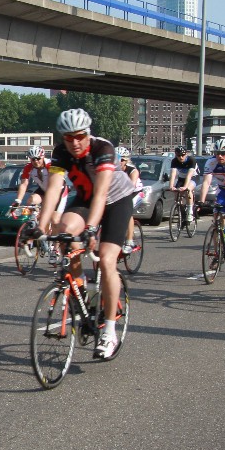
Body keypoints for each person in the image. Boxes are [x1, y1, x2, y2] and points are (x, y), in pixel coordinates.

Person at [35, 108, 137, 360]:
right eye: (69, 138)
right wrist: (39, 227)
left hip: (116, 201)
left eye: (80, 136)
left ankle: (109, 332)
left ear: (88, 134)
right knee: (64, 231)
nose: (75, 143)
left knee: (106, 259)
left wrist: (91, 228)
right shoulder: (60, 153)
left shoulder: (103, 149)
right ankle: (80, 287)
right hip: (86, 199)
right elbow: (53, 190)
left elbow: (102, 194)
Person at [118, 146, 143, 254]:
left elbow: (131, 186)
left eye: (122, 160)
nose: (119, 162)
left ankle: (129, 242)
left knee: (127, 212)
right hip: (121, 194)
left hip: (136, 193)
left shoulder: (132, 171)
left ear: (126, 161)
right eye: (117, 159)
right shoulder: (111, 170)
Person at [168, 145, 199, 226]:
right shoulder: (174, 161)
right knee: (176, 195)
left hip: (193, 177)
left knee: (188, 189)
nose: (181, 157)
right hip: (181, 178)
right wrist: (171, 186)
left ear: (186, 154)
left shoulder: (191, 160)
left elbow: (189, 175)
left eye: (183, 155)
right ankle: (182, 213)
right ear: (176, 155)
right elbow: (173, 174)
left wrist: (185, 187)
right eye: (178, 155)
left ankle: (190, 212)